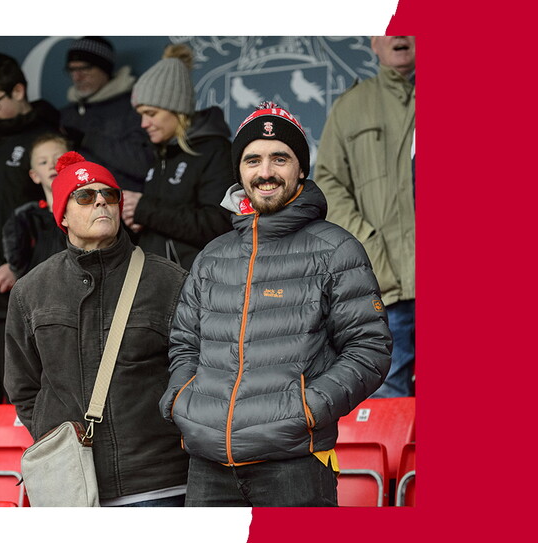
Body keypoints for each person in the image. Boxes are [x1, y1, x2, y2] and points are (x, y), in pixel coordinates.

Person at [160, 101, 392, 507]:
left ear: (301, 169)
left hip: (294, 463)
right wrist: (183, 400)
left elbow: (369, 348)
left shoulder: (336, 249)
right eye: (253, 160)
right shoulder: (212, 255)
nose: (265, 172)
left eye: (279, 158)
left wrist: (308, 409)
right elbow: (185, 344)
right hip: (208, 466)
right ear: (239, 172)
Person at [4, 152, 190, 507]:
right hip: (70, 485)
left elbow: (195, 370)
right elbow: (22, 386)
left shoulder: (169, 280)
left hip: (159, 481)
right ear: (62, 215)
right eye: (86, 196)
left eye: (110, 194)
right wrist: (56, 438)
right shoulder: (30, 290)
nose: (101, 201)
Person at [314, 35, 416, 398]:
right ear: (373, 41)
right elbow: (329, 184)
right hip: (385, 287)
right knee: (388, 412)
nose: (400, 34)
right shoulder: (351, 106)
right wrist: (369, 245)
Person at [0, 53, 61, 414]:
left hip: (13, 301)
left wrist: (19, 267)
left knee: (23, 405)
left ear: (18, 91)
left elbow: (57, 220)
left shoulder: (46, 146)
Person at [123, 43, 234, 270]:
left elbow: (220, 225)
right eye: (141, 115)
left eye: (151, 113)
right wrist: (137, 220)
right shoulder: (161, 152)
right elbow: (165, 222)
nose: (144, 123)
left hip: (197, 281)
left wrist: (145, 209)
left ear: (177, 109)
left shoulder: (215, 149)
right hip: (155, 280)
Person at [60, 36, 155, 192]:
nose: (77, 77)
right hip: (75, 203)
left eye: (85, 68)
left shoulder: (134, 108)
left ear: (105, 69)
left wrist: (88, 140)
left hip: (121, 201)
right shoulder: (65, 114)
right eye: (72, 70)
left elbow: (143, 164)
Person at [0, 133, 70, 283]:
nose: (51, 165)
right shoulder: (27, 217)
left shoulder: (87, 210)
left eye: (58, 159)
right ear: (35, 175)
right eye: (43, 162)